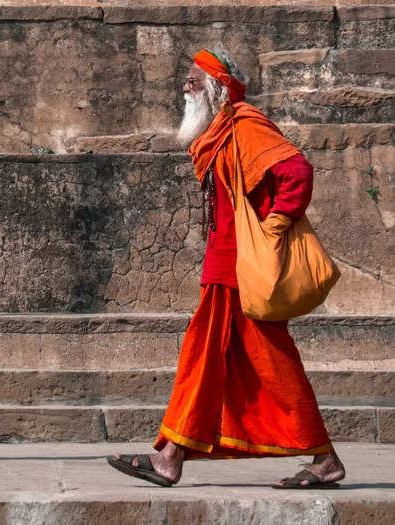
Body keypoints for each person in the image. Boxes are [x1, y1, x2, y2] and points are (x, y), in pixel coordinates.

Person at [107, 49, 346, 489]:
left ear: (217, 87)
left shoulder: (245, 123)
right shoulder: (220, 130)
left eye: (194, 80)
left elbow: (297, 170)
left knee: (268, 362)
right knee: (209, 359)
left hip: (245, 267)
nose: (185, 86)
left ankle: (175, 458)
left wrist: (276, 222)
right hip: (225, 265)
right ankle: (171, 456)